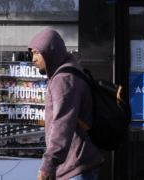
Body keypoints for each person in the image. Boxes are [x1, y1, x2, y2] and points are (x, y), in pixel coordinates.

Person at [28, 29, 105, 180]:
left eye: (37, 53)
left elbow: (63, 122)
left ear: (51, 51)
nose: (34, 59)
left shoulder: (63, 79)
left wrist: (49, 163)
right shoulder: (72, 69)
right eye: (32, 54)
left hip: (77, 167)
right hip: (81, 162)